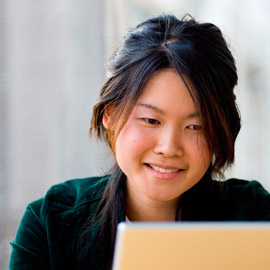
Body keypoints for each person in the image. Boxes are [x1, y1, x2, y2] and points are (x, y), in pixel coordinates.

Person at [9, 13, 270, 270]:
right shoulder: (51, 223)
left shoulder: (254, 216)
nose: (168, 147)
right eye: (151, 120)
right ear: (109, 114)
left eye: (195, 126)